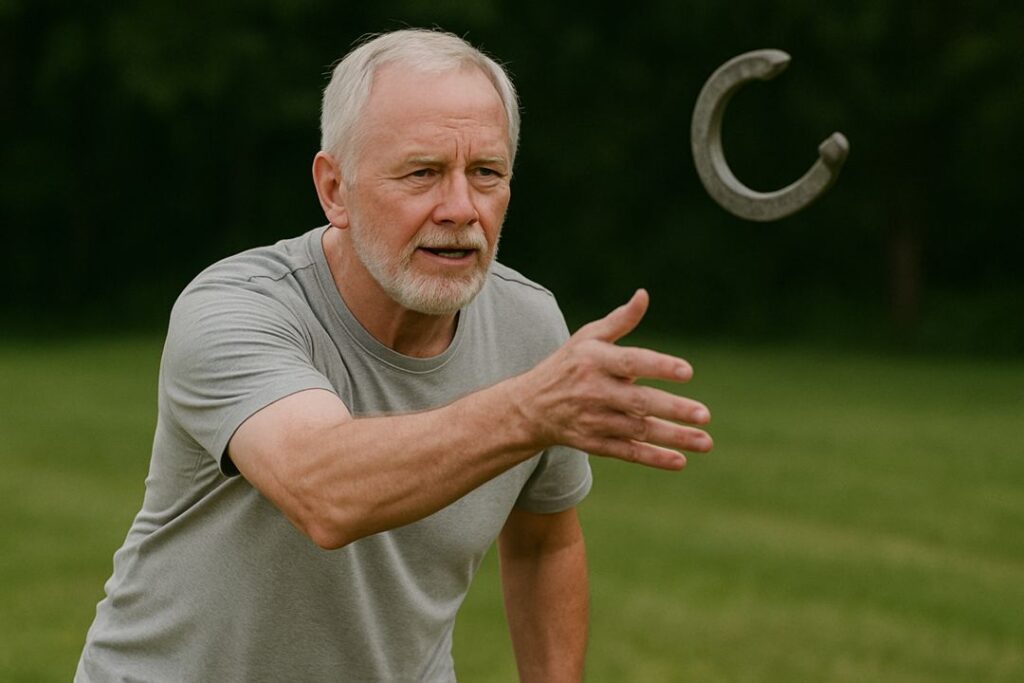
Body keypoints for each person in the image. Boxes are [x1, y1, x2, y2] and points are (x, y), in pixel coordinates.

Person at [76, 28, 712, 682]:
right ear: (335, 189)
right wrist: (530, 411)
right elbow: (323, 490)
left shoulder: (529, 328)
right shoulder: (235, 308)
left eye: (486, 173)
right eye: (422, 173)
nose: (461, 208)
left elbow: (544, 542)